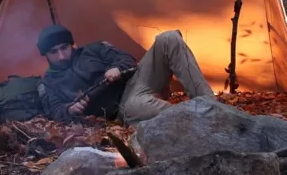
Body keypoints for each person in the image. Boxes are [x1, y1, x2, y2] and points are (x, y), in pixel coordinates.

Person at [35, 24, 214, 124]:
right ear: (46, 56)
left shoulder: (94, 49)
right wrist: (69, 109)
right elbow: (54, 111)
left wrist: (117, 69)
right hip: (122, 108)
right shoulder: (48, 83)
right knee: (137, 106)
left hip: (136, 83)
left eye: (64, 48)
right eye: (54, 52)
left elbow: (127, 59)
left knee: (168, 38)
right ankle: (197, 120)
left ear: (71, 44)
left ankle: (211, 108)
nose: (61, 55)